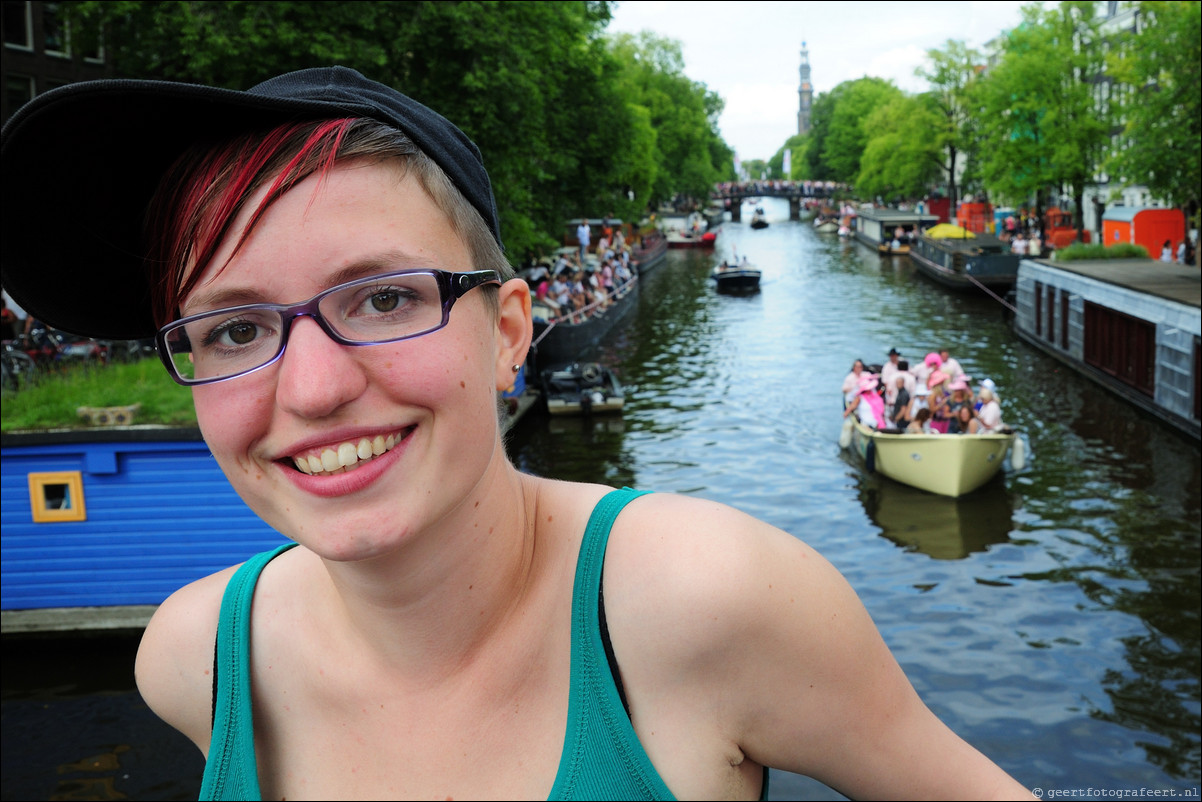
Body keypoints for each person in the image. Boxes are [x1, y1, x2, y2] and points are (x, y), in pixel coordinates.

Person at [0, 66, 1035, 801]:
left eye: (382, 299)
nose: (310, 389)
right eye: (233, 327)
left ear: (507, 334)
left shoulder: (713, 606)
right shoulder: (190, 661)